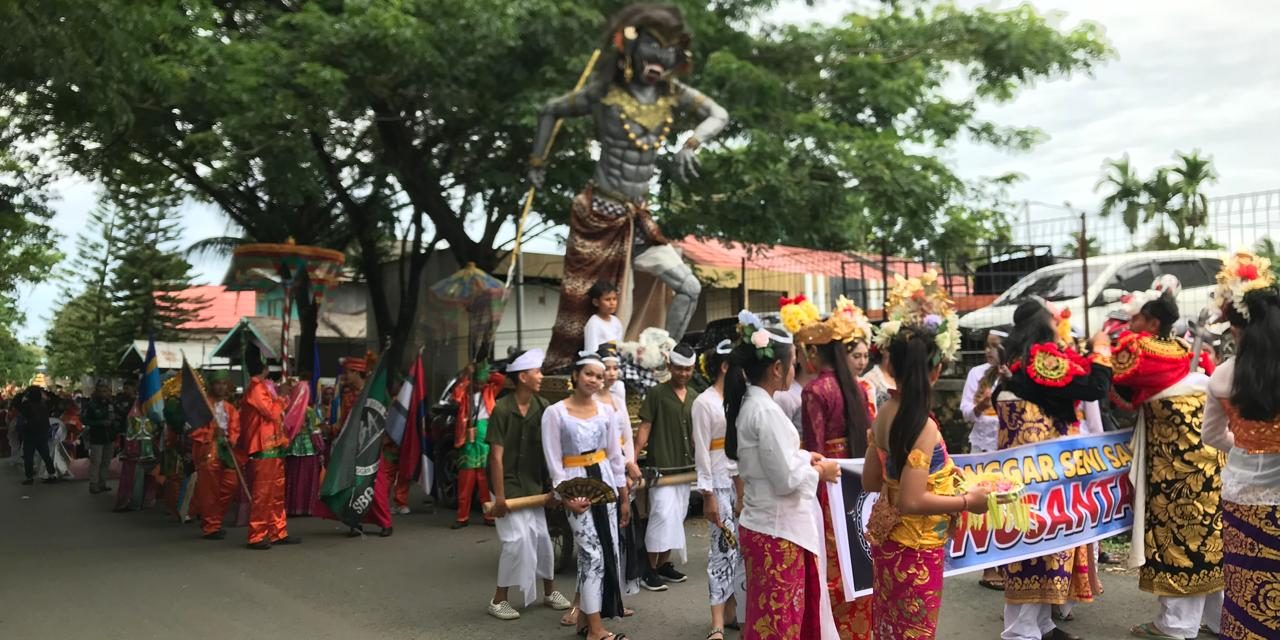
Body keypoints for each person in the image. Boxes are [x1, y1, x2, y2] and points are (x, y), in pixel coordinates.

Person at [861, 278, 990, 640]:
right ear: (935, 370)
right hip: (916, 549)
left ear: (892, 365)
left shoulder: (884, 411)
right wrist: (968, 501)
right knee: (915, 631)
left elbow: (872, 482)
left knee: (889, 627)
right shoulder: (923, 426)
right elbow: (912, 500)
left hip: (889, 545)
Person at [1109, 288, 1224, 640]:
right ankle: (1219, 620)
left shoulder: (1140, 351)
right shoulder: (1186, 352)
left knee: (1178, 537)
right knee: (1211, 536)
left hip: (1173, 467)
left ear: (1152, 322)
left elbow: (1116, 381)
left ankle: (1176, 625)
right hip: (1211, 462)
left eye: (1136, 319)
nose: (1129, 326)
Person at [997, 299, 1113, 640]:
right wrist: (1101, 351)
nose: (1060, 320)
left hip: (1036, 470)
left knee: (1044, 541)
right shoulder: (1041, 358)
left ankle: (1041, 623)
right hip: (1038, 474)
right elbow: (1093, 388)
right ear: (1042, 322)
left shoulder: (1021, 359)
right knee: (1035, 539)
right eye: (1055, 315)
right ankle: (1021, 630)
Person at [726, 318, 839, 639]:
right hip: (777, 530)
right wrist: (820, 471)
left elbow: (775, 463)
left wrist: (806, 458)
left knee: (777, 616)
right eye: (793, 363)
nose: (797, 368)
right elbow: (787, 480)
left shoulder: (757, 405)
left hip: (770, 525)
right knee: (779, 621)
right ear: (777, 367)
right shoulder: (765, 411)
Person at [1201, 252, 1280, 640]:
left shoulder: (1223, 376)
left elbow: (1212, 437)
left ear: (1237, 328)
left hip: (1241, 496)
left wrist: (1246, 445)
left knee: (1246, 586)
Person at [795, 302, 876, 640]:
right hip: (856, 478)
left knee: (831, 561)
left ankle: (833, 630)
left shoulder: (815, 390)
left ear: (815, 354)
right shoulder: (856, 387)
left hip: (829, 480)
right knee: (858, 555)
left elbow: (814, 447)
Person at [542, 351, 631, 640]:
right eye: (589, 374)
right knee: (592, 554)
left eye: (599, 376)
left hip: (603, 482)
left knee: (608, 551)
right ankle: (596, 630)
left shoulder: (607, 411)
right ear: (576, 375)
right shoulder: (555, 413)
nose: (595, 380)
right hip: (575, 487)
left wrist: (624, 495)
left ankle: (585, 621)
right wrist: (565, 496)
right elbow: (554, 462)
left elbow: (615, 457)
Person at [485, 348, 573, 621]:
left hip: (534, 485)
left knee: (541, 539)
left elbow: (551, 450)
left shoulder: (544, 407)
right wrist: (499, 498)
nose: (541, 376)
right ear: (523, 377)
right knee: (516, 542)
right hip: (507, 486)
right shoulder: (501, 409)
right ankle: (498, 599)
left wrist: (554, 487)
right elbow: (496, 458)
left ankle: (550, 591)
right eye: (537, 372)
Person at [635, 342, 699, 591]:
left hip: (685, 468)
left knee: (677, 515)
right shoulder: (656, 394)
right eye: (680, 368)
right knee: (661, 515)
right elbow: (645, 428)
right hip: (661, 469)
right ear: (670, 367)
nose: (684, 373)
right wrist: (632, 458)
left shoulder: (694, 396)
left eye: (688, 369)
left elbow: (697, 434)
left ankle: (663, 564)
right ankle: (647, 569)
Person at [693, 339, 745, 640]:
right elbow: (701, 451)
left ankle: (733, 610)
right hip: (718, 483)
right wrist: (708, 495)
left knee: (741, 551)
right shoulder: (704, 402)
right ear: (725, 367)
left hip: (740, 484)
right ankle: (716, 621)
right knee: (722, 550)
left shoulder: (739, 400)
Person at [961, 330, 1007, 590]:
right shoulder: (977, 374)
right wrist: (980, 406)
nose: (988, 352)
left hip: (1009, 449)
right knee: (986, 506)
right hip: (982, 448)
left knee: (1009, 507)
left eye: (995, 347)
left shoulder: (1013, 374)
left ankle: (1010, 563)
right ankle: (989, 566)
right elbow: (966, 412)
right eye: (987, 347)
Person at [237, 356, 294, 550]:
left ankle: (278, 531)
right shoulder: (256, 389)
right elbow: (270, 412)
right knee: (263, 493)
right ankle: (257, 535)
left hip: (274, 445)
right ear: (264, 368)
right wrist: (282, 396)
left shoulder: (261, 387)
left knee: (276, 491)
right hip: (264, 446)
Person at [191, 372, 243, 540]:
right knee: (209, 490)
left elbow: (236, 429)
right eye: (217, 383)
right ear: (211, 386)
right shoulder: (203, 407)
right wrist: (213, 432)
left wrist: (231, 438)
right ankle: (211, 526)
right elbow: (195, 430)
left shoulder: (230, 408)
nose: (221, 387)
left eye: (224, 383)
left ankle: (214, 519)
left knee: (231, 485)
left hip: (227, 452)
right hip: (208, 452)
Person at [453, 364, 502, 529]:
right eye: (477, 382)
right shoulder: (465, 392)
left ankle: (489, 515)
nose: (480, 386)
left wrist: (485, 371)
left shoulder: (489, 390)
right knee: (466, 479)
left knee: (485, 479)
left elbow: (501, 380)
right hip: (467, 435)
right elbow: (456, 395)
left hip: (485, 433)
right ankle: (462, 517)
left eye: (482, 382)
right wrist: (467, 375)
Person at [283, 378, 324, 518]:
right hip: (308, 448)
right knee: (307, 479)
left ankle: (291, 507)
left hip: (291, 448)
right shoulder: (310, 411)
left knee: (293, 478)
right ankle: (306, 507)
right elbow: (314, 430)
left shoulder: (288, 409)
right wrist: (320, 447)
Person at [16, 386, 57, 485]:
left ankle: (29, 477)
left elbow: (17, 403)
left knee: (28, 457)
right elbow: (54, 399)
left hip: (30, 434)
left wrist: (23, 393)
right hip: (42, 433)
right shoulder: (44, 405)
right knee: (46, 455)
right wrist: (46, 392)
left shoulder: (26, 405)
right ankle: (52, 474)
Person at [82, 382, 116, 494]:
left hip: (109, 436)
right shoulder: (91, 405)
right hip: (96, 436)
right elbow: (84, 420)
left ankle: (102, 483)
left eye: (105, 391)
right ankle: (93, 484)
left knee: (106, 461)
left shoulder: (111, 404)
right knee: (96, 461)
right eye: (101, 391)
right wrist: (99, 423)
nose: (103, 393)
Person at [584, 280, 624, 355]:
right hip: (600, 361)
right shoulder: (593, 323)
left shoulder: (616, 321)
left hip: (615, 359)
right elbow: (591, 350)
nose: (612, 303)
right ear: (596, 302)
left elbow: (619, 345)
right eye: (607, 299)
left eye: (614, 299)